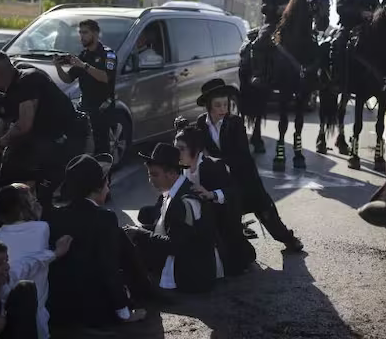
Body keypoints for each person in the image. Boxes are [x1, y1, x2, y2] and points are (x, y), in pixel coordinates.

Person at [194, 79, 304, 252]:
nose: (223, 109)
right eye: (218, 105)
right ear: (208, 106)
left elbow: (243, 153)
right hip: (221, 179)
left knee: (265, 211)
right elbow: (196, 144)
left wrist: (220, 162)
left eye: (226, 104)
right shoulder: (201, 124)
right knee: (226, 214)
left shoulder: (235, 123)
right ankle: (233, 250)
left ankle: (288, 239)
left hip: (244, 175)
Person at [0, 50, 87, 205]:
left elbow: (24, 125)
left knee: (41, 193)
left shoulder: (28, 80)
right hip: (43, 137)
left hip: (65, 139)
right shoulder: (7, 89)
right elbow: (2, 124)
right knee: (7, 172)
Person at [45, 154, 146, 327]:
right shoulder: (104, 218)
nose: (108, 188)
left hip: (62, 306)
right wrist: (123, 313)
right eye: (106, 183)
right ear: (98, 188)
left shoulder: (56, 216)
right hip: (95, 308)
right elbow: (109, 268)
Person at [127, 143, 220, 293]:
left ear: (171, 173)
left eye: (154, 175)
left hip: (193, 273)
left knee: (133, 249)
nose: (150, 180)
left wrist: (140, 234)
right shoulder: (176, 190)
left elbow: (175, 245)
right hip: (190, 260)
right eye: (149, 174)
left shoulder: (184, 201)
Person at [174, 121, 256, 276]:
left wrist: (212, 194)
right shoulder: (179, 169)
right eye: (175, 148)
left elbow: (234, 193)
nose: (177, 153)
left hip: (218, 225)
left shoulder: (213, 166)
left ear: (196, 150)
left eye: (181, 149)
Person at [0, 183, 51, 339]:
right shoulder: (42, 228)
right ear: (23, 209)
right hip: (36, 313)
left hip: (3, 313)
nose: (36, 202)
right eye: (32, 200)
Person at [54, 19, 117, 156]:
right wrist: (58, 66)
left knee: (102, 150)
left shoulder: (108, 54)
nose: (81, 36)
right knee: (83, 147)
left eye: (85, 32)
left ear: (95, 34)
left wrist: (83, 65)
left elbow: (105, 77)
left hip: (102, 108)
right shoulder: (83, 55)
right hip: (86, 107)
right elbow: (67, 79)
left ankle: (104, 175)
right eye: (80, 33)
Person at [333, 0, 386, 90]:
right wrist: (360, 13)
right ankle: (338, 79)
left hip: (368, 28)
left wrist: (376, 14)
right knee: (337, 44)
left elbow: (378, 7)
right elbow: (340, 9)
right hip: (348, 27)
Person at [250, 0, 299, 86]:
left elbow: (302, 9)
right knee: (259, 42)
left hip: (292, 25)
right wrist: (277, 9)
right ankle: (258, 73)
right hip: (273, 24)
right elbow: (264, 7)